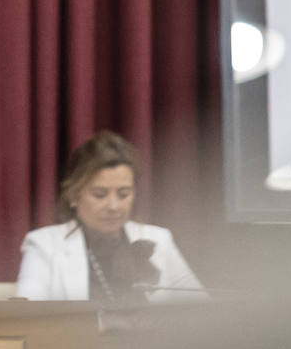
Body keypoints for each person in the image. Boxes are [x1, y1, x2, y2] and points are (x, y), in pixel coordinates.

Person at [15, 130, 206, 304]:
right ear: (74, 196)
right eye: (100, 194)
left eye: (123, 194)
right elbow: (27, 319)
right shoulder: (43, 245)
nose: (114, 206)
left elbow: (200, 309)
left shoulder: (159, 239)